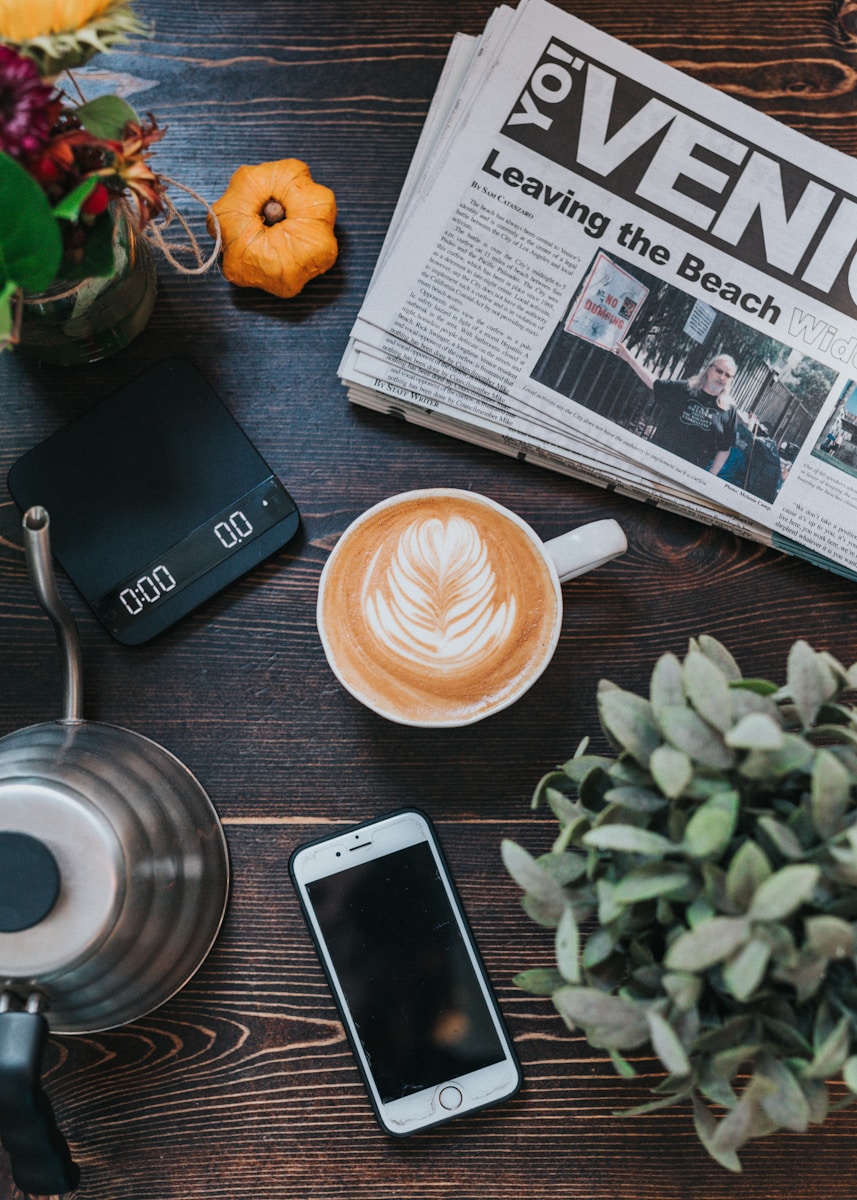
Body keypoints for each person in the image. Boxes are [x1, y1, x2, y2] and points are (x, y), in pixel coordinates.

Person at [613, 342, 739, 473]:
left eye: (728, 375)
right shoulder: (685, 388)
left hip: (689, 473)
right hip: (657, 460)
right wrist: (629, 358)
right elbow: (654, 383)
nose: (722, 377)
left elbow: (725, 448)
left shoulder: (729, 410)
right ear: (709, 370)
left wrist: (711, 475)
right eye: (719, 371)